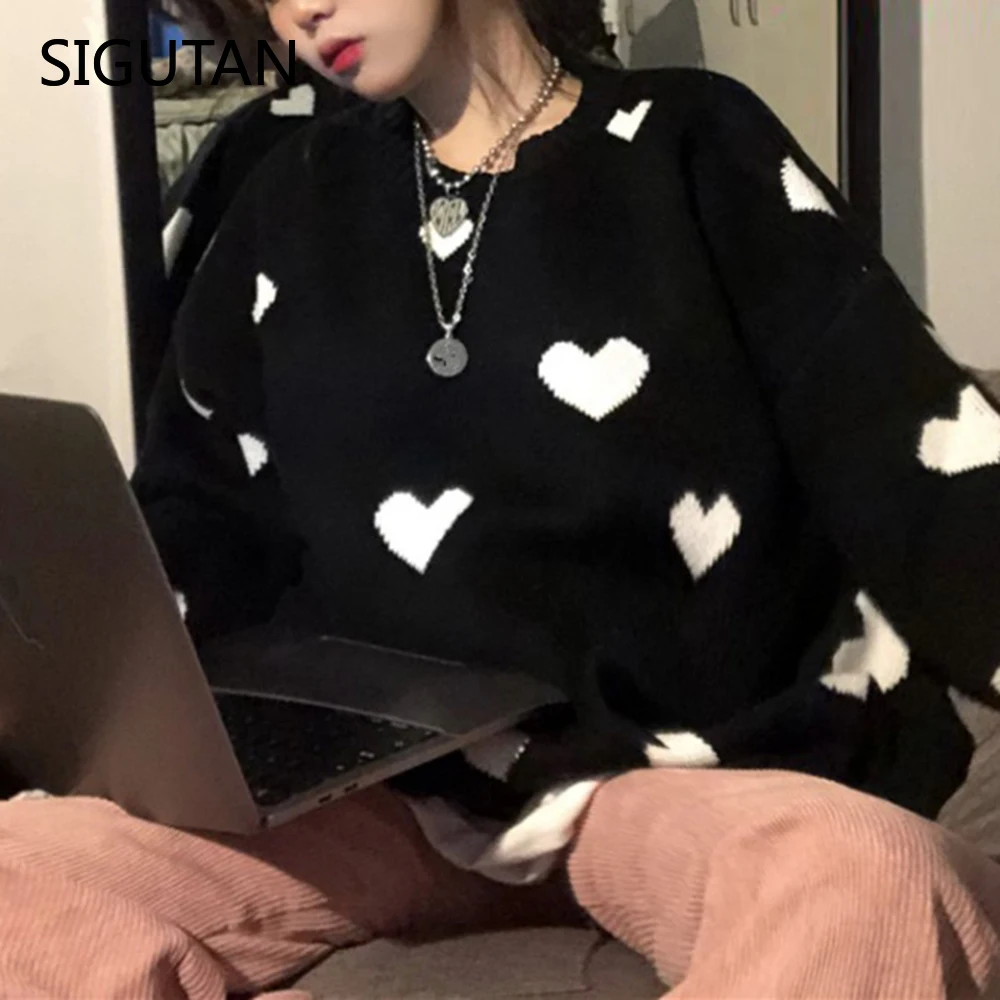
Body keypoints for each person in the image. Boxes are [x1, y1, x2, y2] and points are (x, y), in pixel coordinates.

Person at [3, 1, 1000, 996]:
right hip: (377, 792)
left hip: (668, 772)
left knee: (867, 883)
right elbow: (196, 516)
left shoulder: (692, 142)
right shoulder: (285, 196)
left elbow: (915, 449)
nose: (297, 9)